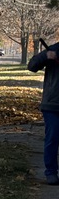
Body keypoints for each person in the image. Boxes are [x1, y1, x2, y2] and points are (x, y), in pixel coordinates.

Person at [28, 41, 59, 185]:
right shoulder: (54, 49)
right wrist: (46, 56)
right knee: (52, 138)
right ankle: (51, 172)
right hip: (53, 104)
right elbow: (32, 65)